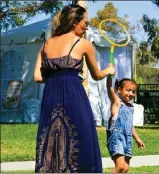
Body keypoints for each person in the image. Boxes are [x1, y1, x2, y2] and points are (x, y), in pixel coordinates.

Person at [33, 4, 116, 173]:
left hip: (51, 95)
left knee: (50, 139)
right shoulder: (84, 43)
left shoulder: (46, 44)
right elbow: (97, 75)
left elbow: (36, 77)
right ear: (74, 22)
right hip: (74, 95)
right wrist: (109, 70)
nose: (87, 26)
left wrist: (57, 77)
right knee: (81, 137)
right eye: (85, 22)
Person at [106, 77, 145, 173]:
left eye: (133, 91)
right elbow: (109, 87)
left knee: (125, 168)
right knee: (119, 166)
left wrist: (137, 139)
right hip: (117, 138)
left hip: (127, 139)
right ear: (119, 90)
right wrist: (109, 75)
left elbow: (130, 125)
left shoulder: (131, 107)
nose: (131, 93)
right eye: (128, 90)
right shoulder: (117, 103)